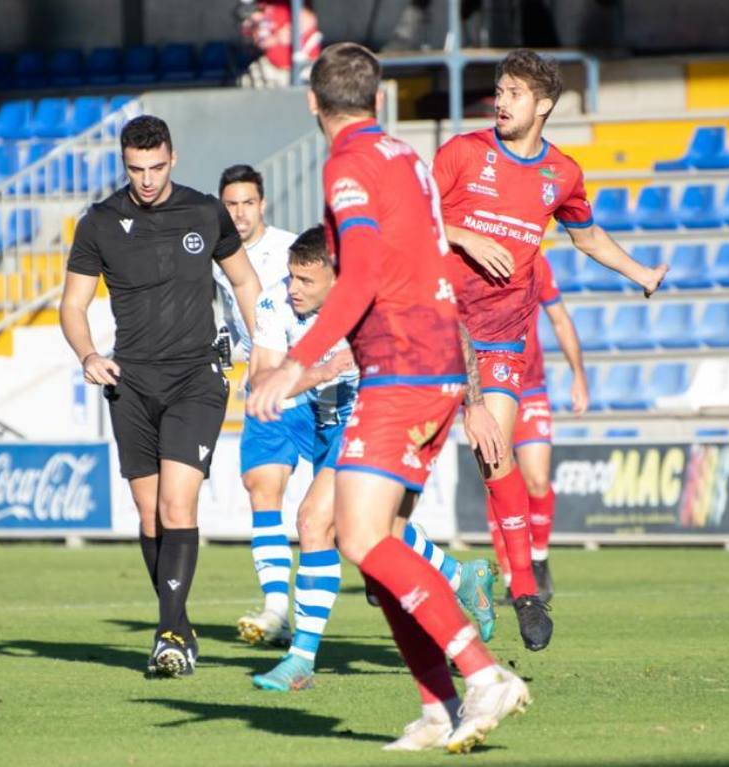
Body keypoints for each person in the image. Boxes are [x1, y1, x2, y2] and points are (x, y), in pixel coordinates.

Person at [248, 42, 527, 754]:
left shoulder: (348, 165)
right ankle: (436, 707)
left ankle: (482, 673)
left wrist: (297, 364)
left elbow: (364, 269)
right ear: (378, 98)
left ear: (312, 101)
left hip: (399, 366)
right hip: (434, 361)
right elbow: (428, 259)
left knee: (361, 538)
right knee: (377, 549)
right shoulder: (408, 159)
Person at [432, 48, 665, 651]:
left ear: (543, 105)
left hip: (503, 336)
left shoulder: (561, 173)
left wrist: (639, 270)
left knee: (493, 452)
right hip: (436, 330)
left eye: (512, 92)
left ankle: (526, 590)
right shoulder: (462, 153)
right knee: (403, 479)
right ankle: (443, 569)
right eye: (499, 90)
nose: (500, 100)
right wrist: (464, 234)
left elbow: (584, 234)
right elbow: (415, 220)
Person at [59, 115, 262, 678]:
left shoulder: (203, 211)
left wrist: (262, 350)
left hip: (196, 378)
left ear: (172, 158)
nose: (146, 180)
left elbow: (244, 281)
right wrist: (89, 356)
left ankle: (168, 634)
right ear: (124, 164)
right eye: (134, 169)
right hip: (130, 381)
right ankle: (179, 622)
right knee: (149, 516)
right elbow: (72, 306)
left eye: (155, 167)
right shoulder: (99, 222)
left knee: (178, 505)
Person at [244, 226, 358, 690]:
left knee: (317, 522)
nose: (293, 289)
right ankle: (460, 577)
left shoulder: (370, 308)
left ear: (337, 279)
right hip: (319, 418)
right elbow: (261, 380)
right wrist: (324, 371)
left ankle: (300, 659)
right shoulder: (274, 301)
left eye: (306, 281)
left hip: (369, 420)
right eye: (292, 277)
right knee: (360, 535)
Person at [214, 165, 301, 648]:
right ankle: (276, 609)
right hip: (264, 388)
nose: (240, 212)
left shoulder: (292, 250)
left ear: (262, 204)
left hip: (315, 383)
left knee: (353, 517)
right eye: (231, 204)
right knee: (262, 488)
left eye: (248, 203)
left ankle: (454, 576)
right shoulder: (215, 256)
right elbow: (229, 324)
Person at [496, 253, 587, 604]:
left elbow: (560, 319)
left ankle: (539, 559)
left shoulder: (534, 261)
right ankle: (511, 576)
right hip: (490, 387)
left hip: (529, 385)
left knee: (535, 478)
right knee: (500, 480)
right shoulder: (468, 262)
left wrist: (578, 374)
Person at [238, 0, 322, 88]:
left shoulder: (285, 5)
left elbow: (309, 20)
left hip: (304, 65)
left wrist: (288, 32)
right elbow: (259, 41)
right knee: (246, 81)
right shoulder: (258, 9)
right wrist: (274, 38)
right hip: (273, 68)